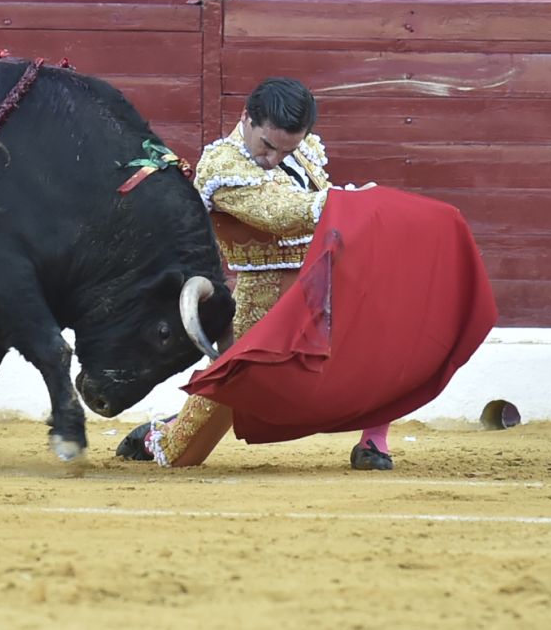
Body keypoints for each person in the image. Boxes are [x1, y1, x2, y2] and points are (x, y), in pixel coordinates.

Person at [114, 77, 397, 471]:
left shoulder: (303, 152)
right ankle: (158, 436)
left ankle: (373, 442)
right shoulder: (222, 165)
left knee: (385, 341)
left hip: (324, 279)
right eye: (267, 146)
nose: (274, 159)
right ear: (247, 117)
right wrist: (348, 202)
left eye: (287, 150)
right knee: (200, 433)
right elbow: (280, 213)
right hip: (266, 300)